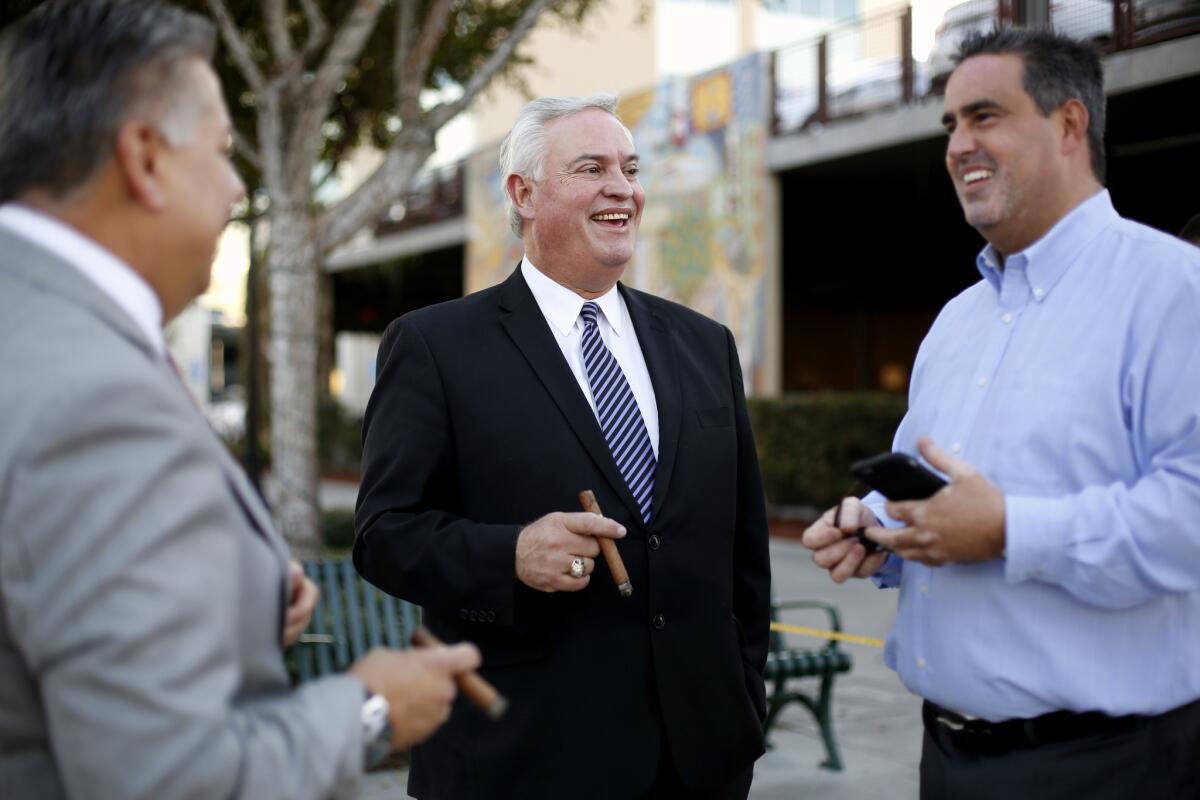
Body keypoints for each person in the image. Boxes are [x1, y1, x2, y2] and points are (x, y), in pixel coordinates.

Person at [0, 3, 479, 799]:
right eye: (224, 152)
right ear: (144, 159)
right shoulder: (100, 401)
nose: (235, 188)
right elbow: (168, 778)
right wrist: (369, 708)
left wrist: (232, 597)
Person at [801, 28, 1200, 800]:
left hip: (1111, 767)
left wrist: (1010, 529)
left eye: (984, 116)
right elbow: (939, 493)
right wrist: (882, 529)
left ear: (1069, 125)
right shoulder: (957, 321)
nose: (958, 145)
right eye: (950, 124)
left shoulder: (1173, 291)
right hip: (946, 759)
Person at [354, 94, 772, 799]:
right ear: (522, 193)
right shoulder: (434, 347)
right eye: (591, 168)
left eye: (630, 168)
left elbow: (744, 553)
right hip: (523, 760)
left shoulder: (705, 345)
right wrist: (509, 554)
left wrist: (742, 696)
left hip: (699, 758)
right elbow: (383, 533)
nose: (622, 188)